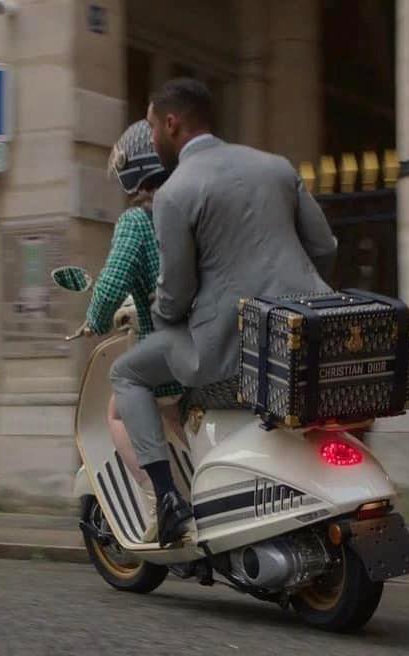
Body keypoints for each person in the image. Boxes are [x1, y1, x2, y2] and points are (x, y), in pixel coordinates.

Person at [110, 78, 338, 547]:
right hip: (305, 333)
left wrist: (159, 310)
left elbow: (175, 294)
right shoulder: (276, 166)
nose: (151, 138)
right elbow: (325, 246)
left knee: (127, 374)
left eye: (152, 128)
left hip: (233, 352)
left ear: (171, 124)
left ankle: (168, 500)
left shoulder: (176, 192)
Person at [82, 119, 185, 505]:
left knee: (117, 410)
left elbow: (111, 285)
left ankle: (160, 498)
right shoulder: (191, 204)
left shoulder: (137, 221)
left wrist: (95, 320)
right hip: (218, 340)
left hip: (173, 358)